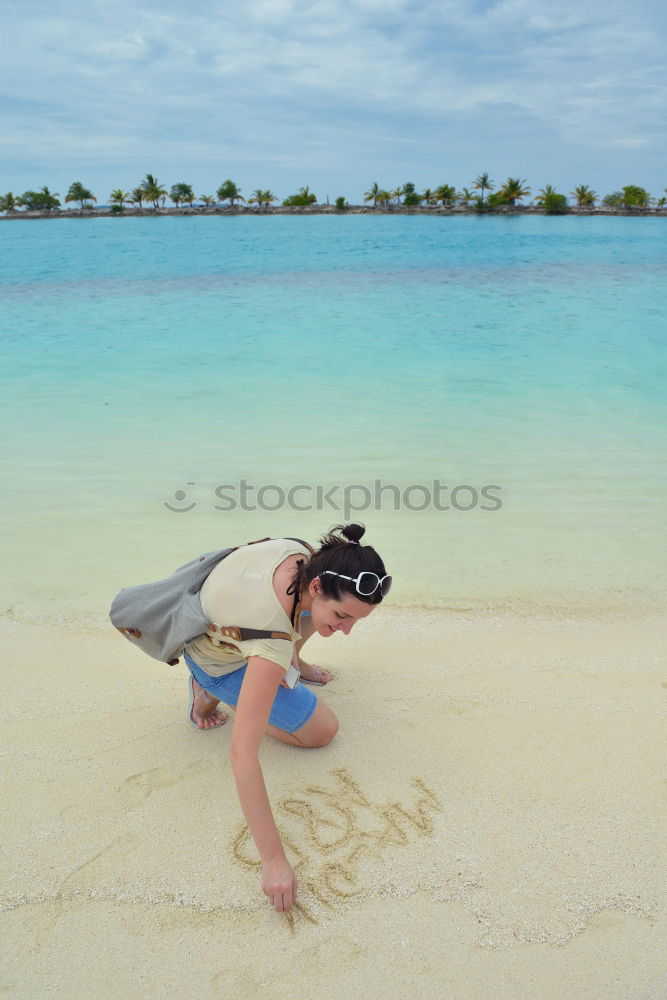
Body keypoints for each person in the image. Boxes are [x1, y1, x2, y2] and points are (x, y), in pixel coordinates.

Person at [181, 522, 391, 914]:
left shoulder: (302, 555)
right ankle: (205, 690)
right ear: (316, 587)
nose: (347, 630)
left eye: (356, 621)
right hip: (215, 655)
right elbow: (242, 755)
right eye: (343, 615)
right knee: (322, 731)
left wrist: (294, 658)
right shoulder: (270, 638)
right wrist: (273, 860)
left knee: (300, 626)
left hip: (228, 624)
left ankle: (292, 664)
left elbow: (292, 611)